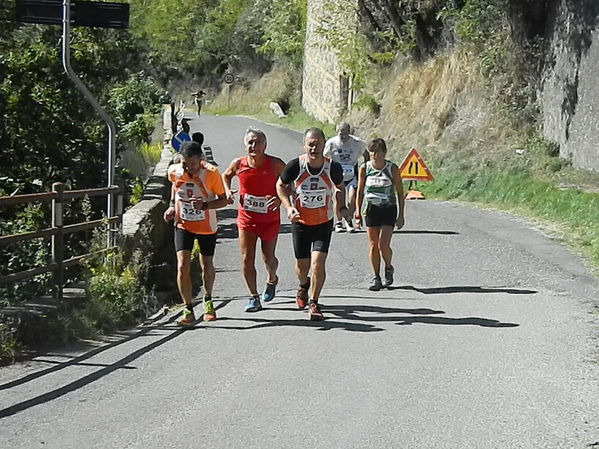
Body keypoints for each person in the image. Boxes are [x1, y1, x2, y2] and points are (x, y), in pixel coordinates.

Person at [276, 127, 346, 320]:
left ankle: (314, 302)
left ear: (324, 145)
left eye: (318, 144)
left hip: (323, 222)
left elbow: (340, 187)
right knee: (302, 266)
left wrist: (341, 205)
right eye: (310, 144)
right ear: (305, 145)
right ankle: (303, 285)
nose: (314, 148)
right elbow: (280, 185)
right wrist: (289, 207)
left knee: (318, 263)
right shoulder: (295, 166)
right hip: (301, 222)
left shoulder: (333, 167)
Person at [163, 141, 228, 325]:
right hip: (183, 224)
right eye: (185, 163)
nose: (188, 168)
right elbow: (174, 188)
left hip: (206, 226)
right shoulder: (175, 170)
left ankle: (208, 299)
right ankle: (188, 309)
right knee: (182, 265)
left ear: (200, 160)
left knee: (206, 263)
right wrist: (171, 208)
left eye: (192, 164)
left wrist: (205, 205)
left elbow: (223, 201)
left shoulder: (212, 173)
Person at [222, 128, 286, 312]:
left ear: (265, 145)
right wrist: (227, 190)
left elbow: (290, 182)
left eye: (257, 142)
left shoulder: (275, 164)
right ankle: (253, 297)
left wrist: (280, 197)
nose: (254, 146)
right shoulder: (238, 164)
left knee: (268, 259)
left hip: (269, 219)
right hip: (246, 219)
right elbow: (226, 175)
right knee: (246, 258)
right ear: (245, 145)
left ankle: (272, 278)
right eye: (250, 142)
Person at [355, 138, 405, 291]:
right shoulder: (365, 168)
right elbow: (360, 190)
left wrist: (401, 215)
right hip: (371, 209)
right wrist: (357, 211)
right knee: (373, 245)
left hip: (388, 208)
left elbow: (400, 192)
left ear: (384, 152)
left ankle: (388, 267)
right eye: (372, 152)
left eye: (377, 152)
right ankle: (376, 277)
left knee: (384, 245)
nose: (374, 155)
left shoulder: (392, 168)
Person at [323, 122, 368, 233]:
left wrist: (366, 168)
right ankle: (339, 222)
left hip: (352, 173)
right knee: (338, 198)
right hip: (337, 174)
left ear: (349, 133)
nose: (342, 136)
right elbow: (324, 157)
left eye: (344, 134)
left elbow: (366, 155)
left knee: (353, 198)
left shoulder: (357, 143)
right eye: (340, 134)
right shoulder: (331, 143)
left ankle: (348, 219)